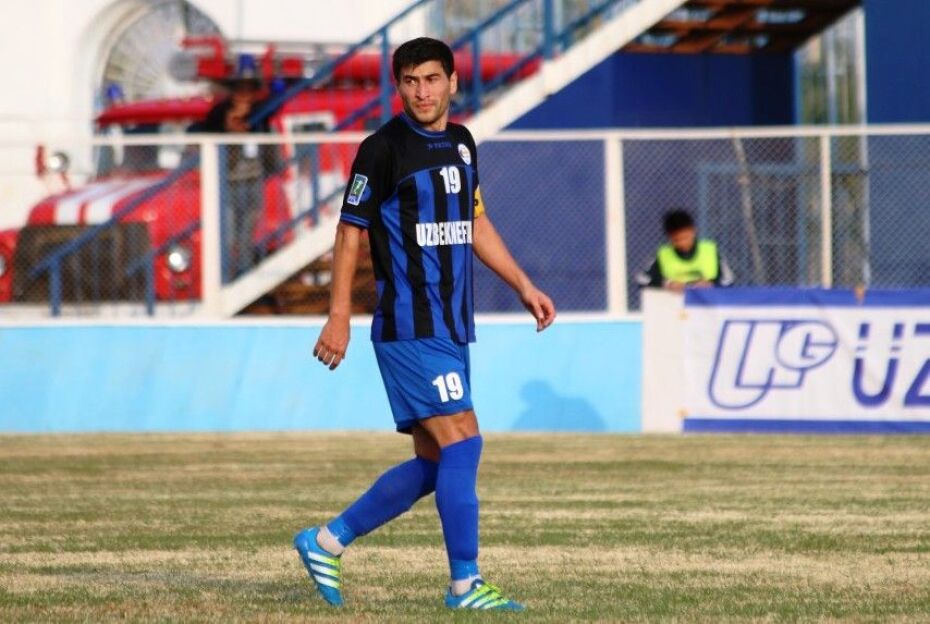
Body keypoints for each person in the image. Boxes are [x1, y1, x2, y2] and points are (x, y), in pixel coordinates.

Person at [293, 37, 556, 612]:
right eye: (411, 81)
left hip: (452, 326)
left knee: (436, 463)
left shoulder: (462, 143)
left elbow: (475, 221)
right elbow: (348, 233)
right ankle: (466, 586)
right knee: (464, 441)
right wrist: (338, 315)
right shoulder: (382, 149)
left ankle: (325, 542)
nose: (422, 91)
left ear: (453, 82)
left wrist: (523, 284)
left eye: (432, 79)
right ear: (399, 87)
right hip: (410, 327)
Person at [196, 55, 279, 278]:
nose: (244, 94)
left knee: (246, 235)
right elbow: (208, 140)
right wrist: (230, 129)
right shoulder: (218, 113)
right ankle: (224, 277)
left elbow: (270, 141)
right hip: (229, 182)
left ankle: (244, 275)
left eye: (249, 88)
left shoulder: (260, 113)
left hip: (253, 181)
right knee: (228, 234)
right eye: (240, 88)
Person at [636, 209, 734, 292]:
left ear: (693, 231)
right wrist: (668, 284)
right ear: (669, 238)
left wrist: (711, 284)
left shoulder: (710, 250)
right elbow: (642, 279)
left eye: (686, 238)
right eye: (677, 240)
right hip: (673, 305)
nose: (683, 244)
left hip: (705, 305)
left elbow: (729, 280)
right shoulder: (662, 254)